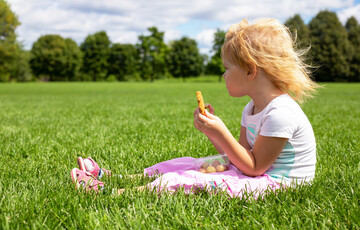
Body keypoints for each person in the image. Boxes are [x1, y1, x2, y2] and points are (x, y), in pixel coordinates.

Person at [70, 18, 319, 198]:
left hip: (278, 184)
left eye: (227, 68)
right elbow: (238, 159)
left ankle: (109, 194)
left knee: (190, 179)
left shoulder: (281, 113)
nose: (223, 75)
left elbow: (253, 168)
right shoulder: (251, 108)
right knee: (189, 163)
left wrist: (221, 132)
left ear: (250, 70)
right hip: (255, 175)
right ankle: (112, 177)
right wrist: (211, 132)